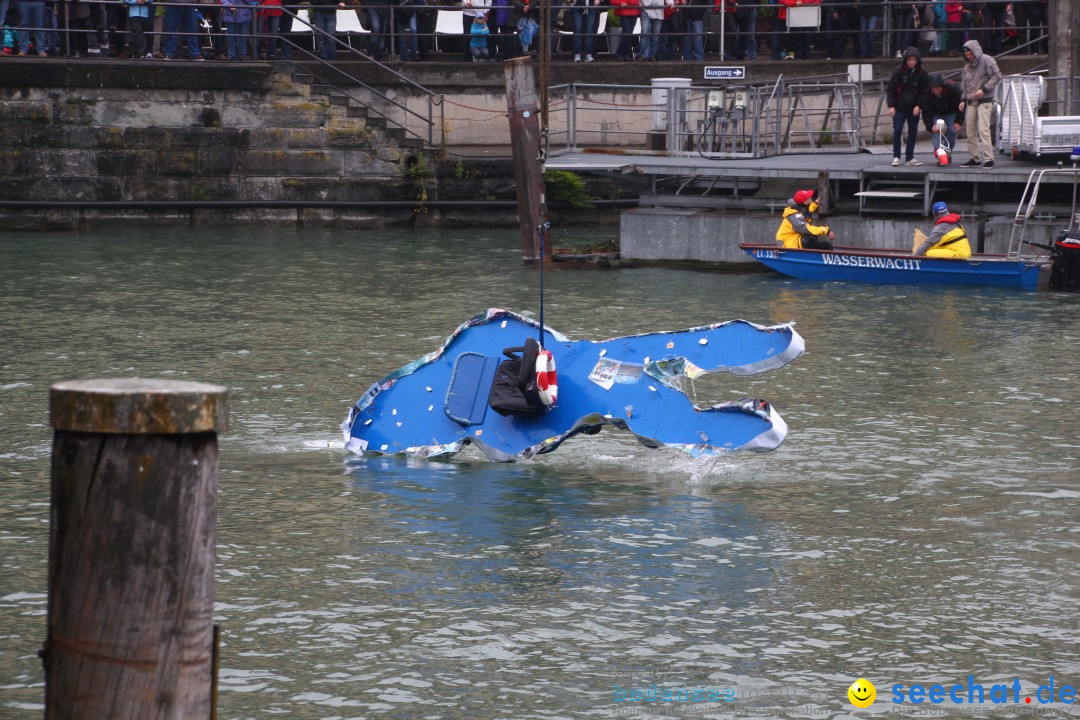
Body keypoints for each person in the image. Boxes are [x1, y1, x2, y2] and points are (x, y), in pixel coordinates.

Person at [958, 38, 1001, 168]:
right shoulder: (967, 66)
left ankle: (989, 158)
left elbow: (997, 76)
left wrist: (984, 89)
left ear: (975, 52)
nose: (969, 57)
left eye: (970, 54)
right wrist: (963, 99)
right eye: (967, 55)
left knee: (983, 130)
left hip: (985, 100)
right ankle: (974, 157)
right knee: (970, 131)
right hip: (971, 100)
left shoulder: (987, 60)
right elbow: (966, 85)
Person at [886, 45, 928, 166]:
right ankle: (896, 156)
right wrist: (891, 106)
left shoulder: (922, 72)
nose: (911, 62)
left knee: (913, 132)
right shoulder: (898, 71)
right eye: (909, 60)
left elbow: (924, 91)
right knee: (897, 130)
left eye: (914, 60)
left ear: (917, 60)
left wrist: (919, 105)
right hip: (899, 107)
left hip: (914, 107)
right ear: (906, 60)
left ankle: (909, 157)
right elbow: (891, 90)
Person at [922, 72, 964, 160]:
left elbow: (961, 105)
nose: (936, 91)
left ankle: (947, 150)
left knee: (953, 131)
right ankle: (939, 153)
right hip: (935, 112)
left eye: (938, 89)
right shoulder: (926, 92)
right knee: (936, 130)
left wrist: (958, 121)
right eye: (934, 90)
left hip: (951, 111)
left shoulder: (953, 88)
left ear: (942, 86)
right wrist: (930, 126)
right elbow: (926, 110)